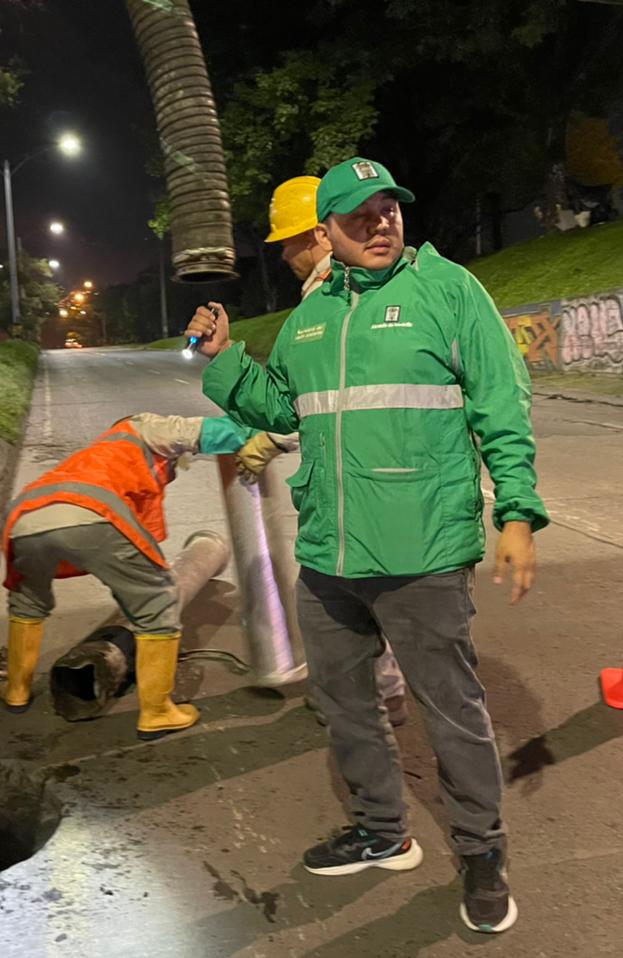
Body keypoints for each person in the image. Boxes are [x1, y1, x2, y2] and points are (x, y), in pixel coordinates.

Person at [184, 157, 548, 934]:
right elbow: (281, 406)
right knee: (345, 705)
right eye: (361, 217)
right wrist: (223, 365)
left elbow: (501, 402)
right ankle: (383, 832)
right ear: (329, 232)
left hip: (422, 554)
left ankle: (483, 854)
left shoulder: (448, 292)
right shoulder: (312, 319)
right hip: (330, 557)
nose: (381, 225)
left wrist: (516, 512)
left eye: (390, 210)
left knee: (452, 715)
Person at [247, 173, 408, 728]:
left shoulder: (335, 294)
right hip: (378, 477)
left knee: (353, 594)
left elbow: (340, 394)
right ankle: (378, 690)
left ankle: (375, 697)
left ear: (319, 236)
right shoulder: (347, 288)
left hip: (365, 479)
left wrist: (269, 436)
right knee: (369, 592)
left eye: (289, 240)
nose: (284, 253)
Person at [0, 413, 271, 741]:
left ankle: (16, 691)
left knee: (28, 603)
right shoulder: (142, 427)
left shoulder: (101, 454)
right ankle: (158, 713)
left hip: (25, 518)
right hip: (89, 512)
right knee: (158, 604)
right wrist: (266, 434)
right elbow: (212, 431)